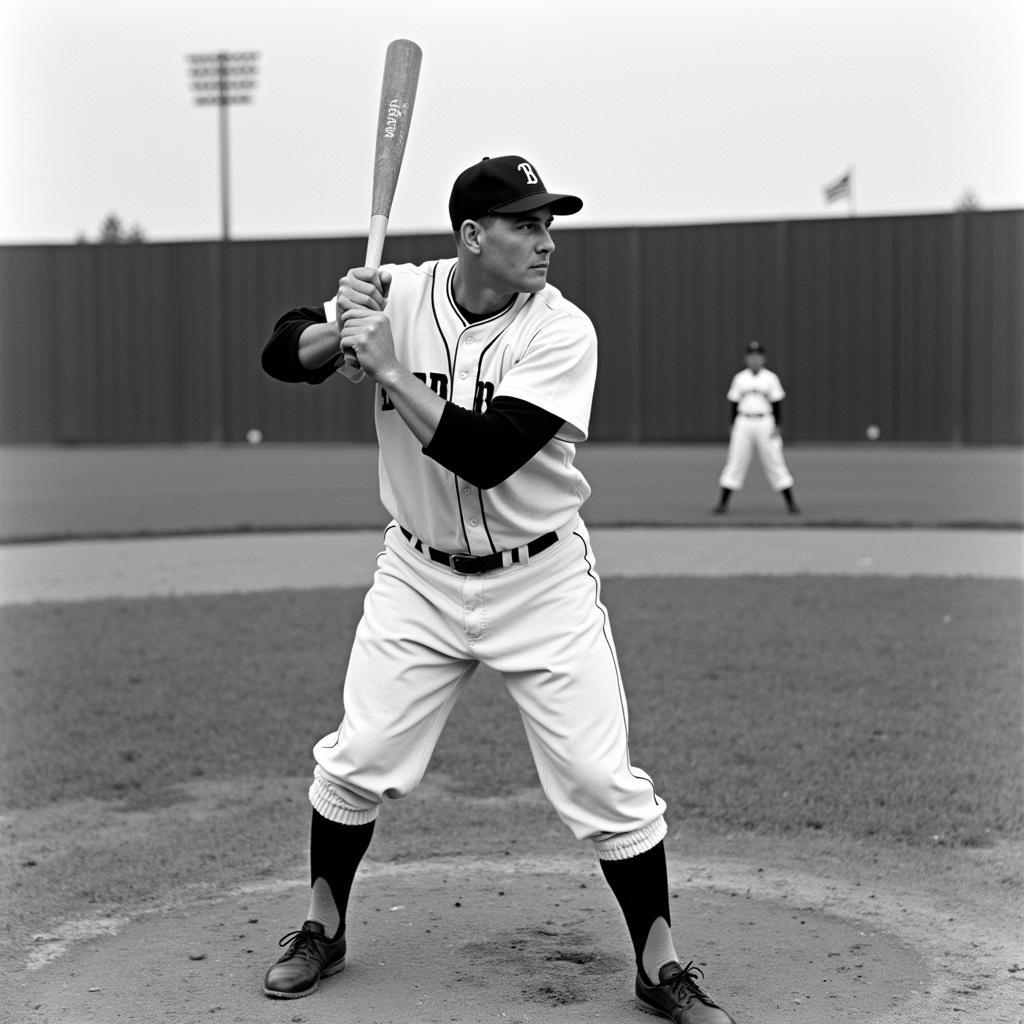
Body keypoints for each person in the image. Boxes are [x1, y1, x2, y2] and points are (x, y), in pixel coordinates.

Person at [259, 154, 736, 1024]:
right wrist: (341, 333)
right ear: (473, 236)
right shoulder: (399, 291)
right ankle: (321, 929)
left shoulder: (563, 330)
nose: (546, 240)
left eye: (549, 223)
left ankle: (659, 964)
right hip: (416, 576)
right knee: (359, 757)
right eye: (526, 224)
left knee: (601, 780)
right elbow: (281, 352)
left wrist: (392, 370)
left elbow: (487, 453)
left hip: (540, 578)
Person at [712, 340, 800, 514]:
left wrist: (777, 425)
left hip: (765, 422)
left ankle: (791, 504)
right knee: (735, 461)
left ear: (763, 359)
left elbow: (777, 404)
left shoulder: (770, 378)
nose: (754, 360)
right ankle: (722, 504)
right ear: (746, 359)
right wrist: (732, 425)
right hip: (743, 422)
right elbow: (733, 404)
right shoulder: (740, 378)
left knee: (775, 460)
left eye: (757, 356)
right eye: (751, 356)